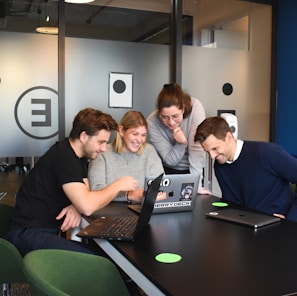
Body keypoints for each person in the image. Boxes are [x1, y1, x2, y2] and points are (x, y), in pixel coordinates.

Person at [6, 108, 139, 256]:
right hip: (26, 235)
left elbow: (85, 191)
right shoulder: (64, 156)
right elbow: (87, 206)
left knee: (103, 254)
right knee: (101, 260)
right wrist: (118, 185)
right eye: (100, 142)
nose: (103, 149)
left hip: (40, 232)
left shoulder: (78, 156)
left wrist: (75, 205)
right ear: (83, 136)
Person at [194, 116, 297, 222]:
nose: (212, 156)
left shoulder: (267, 152)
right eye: (207, 151)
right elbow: (233, 204)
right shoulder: (220, 166)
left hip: (282, 225)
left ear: (229, 137)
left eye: (215, 148)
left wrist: (292, 218)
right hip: (249, 225)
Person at [147, 83, 210, 194]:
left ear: (184, 108)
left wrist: (197, 186)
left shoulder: (195, 107)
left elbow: (197, 152)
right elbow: (170, 160)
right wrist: (181, 143)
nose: (171, 122)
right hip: (169, 172)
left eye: (175, 116)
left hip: (195, 170)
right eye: (165, 117)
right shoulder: (152, 122)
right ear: (159, 112)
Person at [89, 110, 164, 203]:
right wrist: (129, 195)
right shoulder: (102, 153)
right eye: (135, 134)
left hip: (141, 211)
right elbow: (96, 191)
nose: (139, 140)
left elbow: (162, 186)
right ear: (121, 131)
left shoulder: (150, 152)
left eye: (143, 135)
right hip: (109, 211)